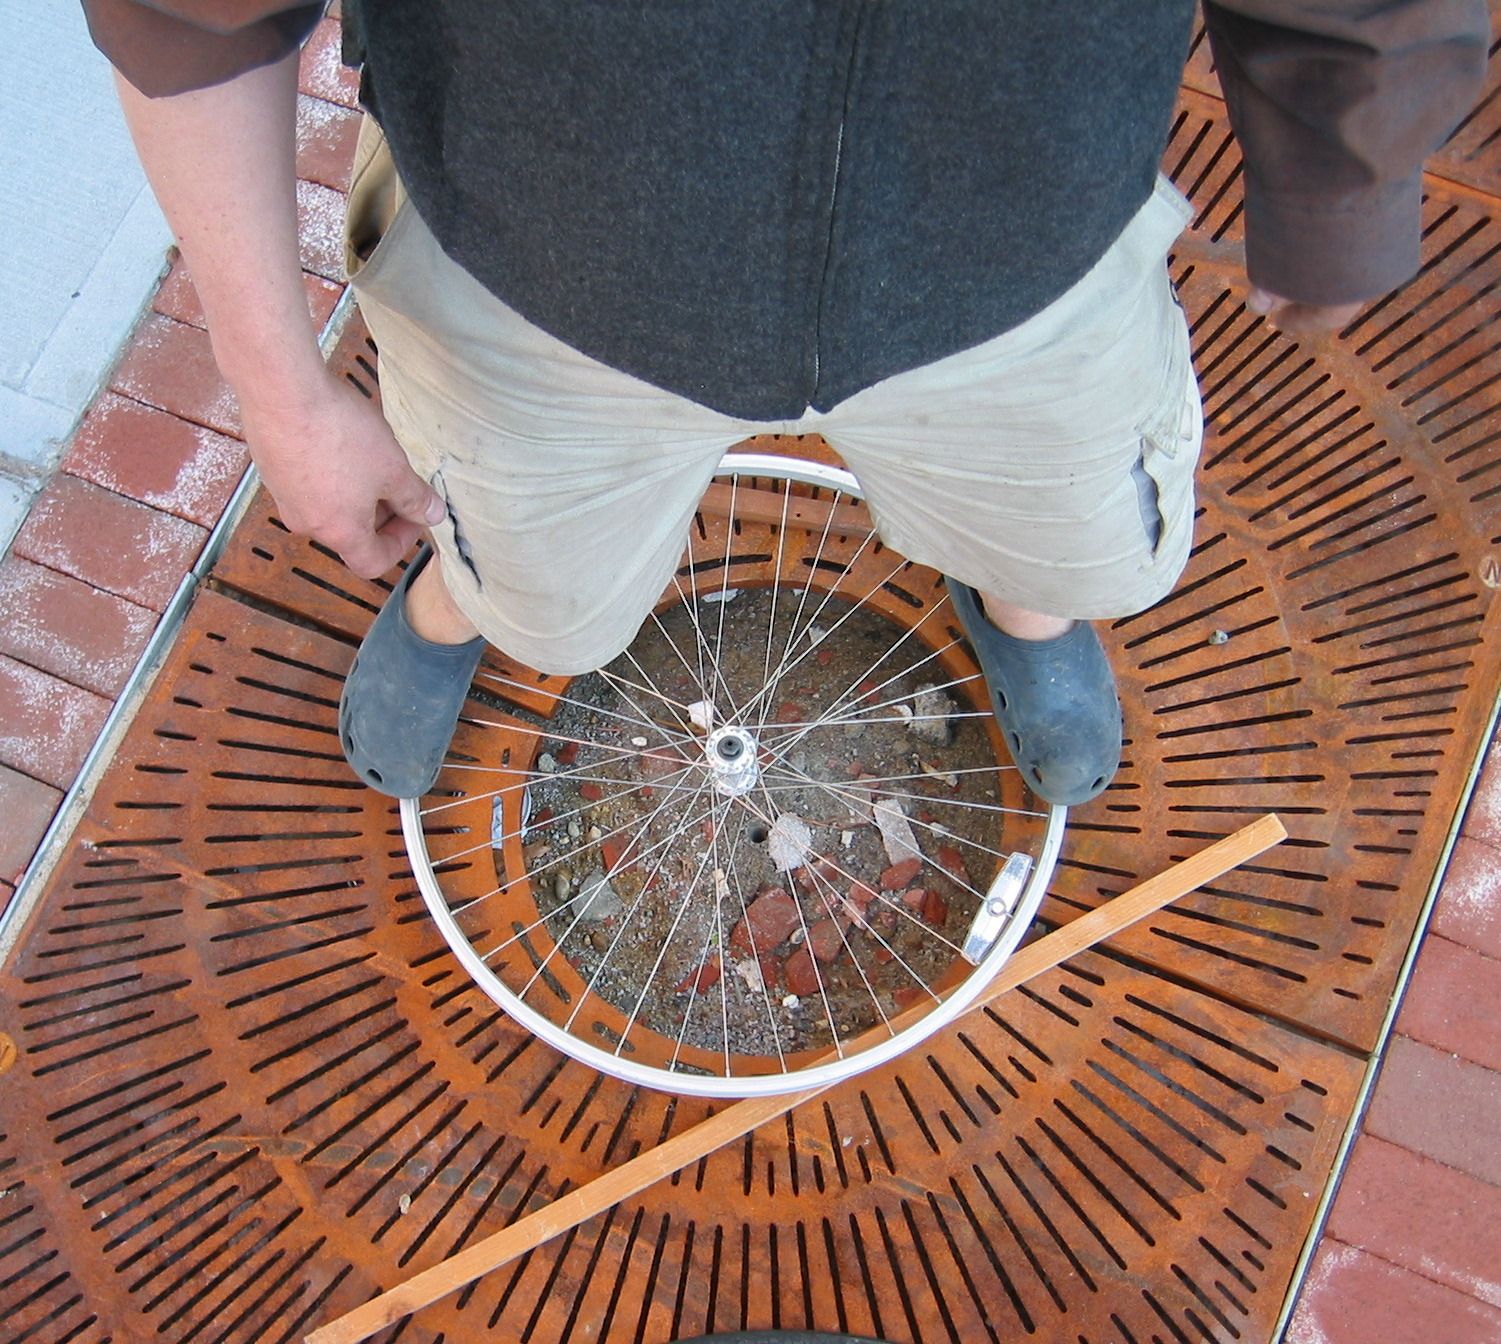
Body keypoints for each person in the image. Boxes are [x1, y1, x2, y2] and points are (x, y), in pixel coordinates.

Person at [86, 0, 1488, 805]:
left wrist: (1343, 171)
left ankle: (1023, 603)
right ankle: (471, 596)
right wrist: (279, 394)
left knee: (1090, 547)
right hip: (530, 275)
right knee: (545, 602)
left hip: (1021, 256)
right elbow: (183, 16)